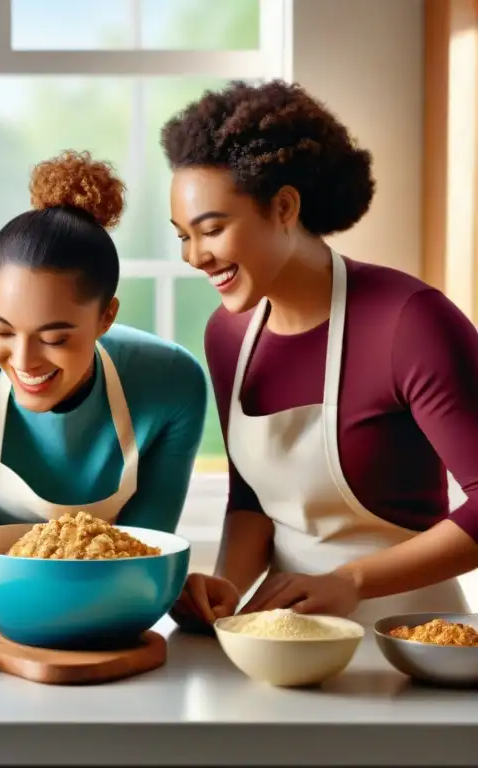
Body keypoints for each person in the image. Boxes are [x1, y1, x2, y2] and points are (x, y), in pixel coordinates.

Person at [163, 80, 478, 631]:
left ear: (284, 206)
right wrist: (228, 593)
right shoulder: (228, 336)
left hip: (408, 638)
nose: (195, 256)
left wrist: (351, 582)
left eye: (211, 229)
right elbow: (252, 502)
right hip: (281, 637)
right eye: (182, 237)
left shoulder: (409, 321)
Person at [0, 150, 208, 595]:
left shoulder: (172, 383)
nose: (24, 361)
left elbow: (146, 558)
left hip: (119, 618)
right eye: (0, 329)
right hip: (1, 617)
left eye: (54, 338)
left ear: (106, 317)